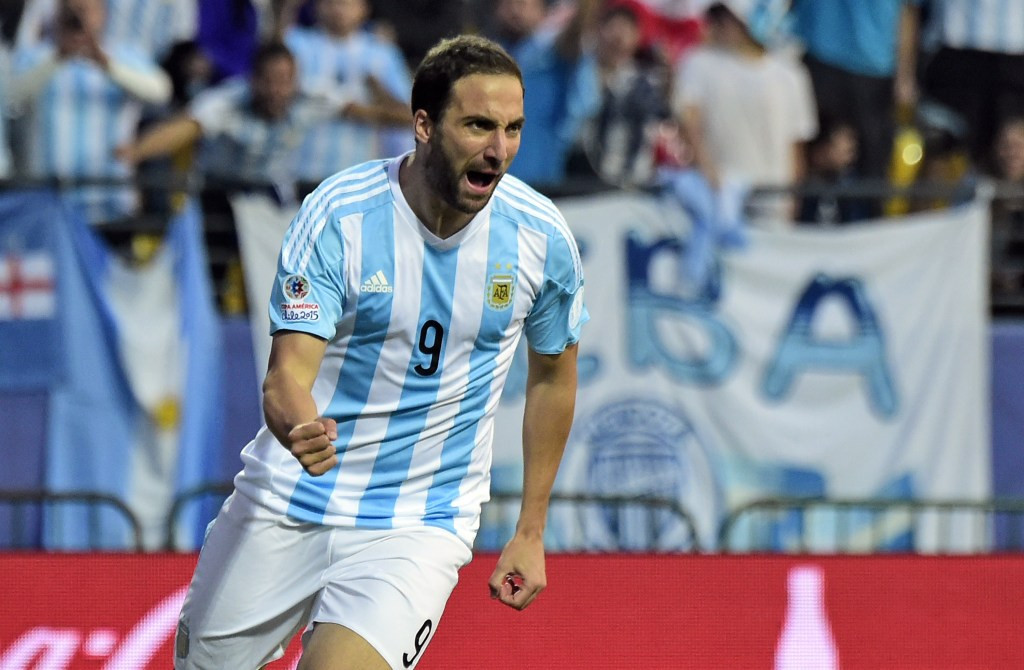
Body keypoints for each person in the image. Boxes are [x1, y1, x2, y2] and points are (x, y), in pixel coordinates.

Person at [174, 34, 587, 670]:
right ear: (423, 125)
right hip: (292, 498)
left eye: (513, 128)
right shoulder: (340, 217)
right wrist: (299, 425)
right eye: (478, 125)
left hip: (419, 521)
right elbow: (286, 374)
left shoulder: (541, 238)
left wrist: (530, 530)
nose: (498, 150)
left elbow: (555, 378)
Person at [7, 0, 171, 224]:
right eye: (70, 10)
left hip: (109, 201)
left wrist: (106, 65)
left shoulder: (124, 55)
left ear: (102, 13)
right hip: (48, 204)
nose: (78, 18)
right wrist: (58, 57)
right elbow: (11, 96)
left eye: (84, 10)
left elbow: (161, 92)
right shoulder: (35, 56)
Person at [672, 0, 817, 223]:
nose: (716, 25)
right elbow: (689, 123)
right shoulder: (698, 63)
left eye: (726, 18)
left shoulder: (791, 75)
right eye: (716, 17)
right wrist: (710, 176)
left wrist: (792, 201)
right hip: (718, 202)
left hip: (772, 202)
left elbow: (795, 146)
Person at [273, 0, 413, 182]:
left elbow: (410, 117)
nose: (338, 9)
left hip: (355, 180)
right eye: (331, 2)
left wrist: (376, 97)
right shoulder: (295, 44)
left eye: (346, 3)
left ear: (364, 7)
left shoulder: (382, 54)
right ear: (317, 6)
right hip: (294, 175)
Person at [488, 0, 602, 187]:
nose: (514, 10)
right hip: (492, 182)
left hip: (540, 180)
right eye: (507, 3)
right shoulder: (487, 57)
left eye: (522, 3)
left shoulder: (558, 56)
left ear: (542, 10)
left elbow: (586, 102)